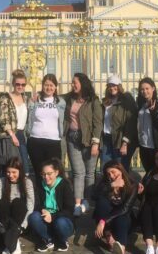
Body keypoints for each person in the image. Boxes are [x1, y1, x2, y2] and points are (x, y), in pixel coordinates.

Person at [64, 73, 103, 213]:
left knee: (89, 173)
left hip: (89, 139)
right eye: (72, 82)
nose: (72, 85)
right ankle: (77, 204)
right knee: (78, 172)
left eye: (75, 82)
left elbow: (98, 123)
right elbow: (54, 98)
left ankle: (88, 201)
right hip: (72, 137)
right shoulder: (69, 98)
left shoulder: (93, 100)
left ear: (82, 83)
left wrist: (95, 143)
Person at [93, 160, 141, 254]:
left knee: (122, 216)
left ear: (121, 170)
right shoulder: (105, 183)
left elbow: (125, 209)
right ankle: (110, 238)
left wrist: (102, 221)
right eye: (108, 174)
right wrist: (111, 186)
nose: (111, 176)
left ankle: (121, 250)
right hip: (107, 223)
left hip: (121, 220)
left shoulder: (133, 185)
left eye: (113, 172)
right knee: (102, 202)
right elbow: (94, 196)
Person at [26, 74, 66, 185]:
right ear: (42, 86)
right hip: (35, 141)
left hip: (53, 141)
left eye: (51, 85)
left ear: (55, 87)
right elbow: (27, 116)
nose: (49, 88)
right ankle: (42, 200)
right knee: (40, 174)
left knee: (54, 174)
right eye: (46, 85)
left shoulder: (61, 102)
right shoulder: (35, 100)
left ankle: (53, 200)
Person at [28, 158, 75, 252]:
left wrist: (52, 216)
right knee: (33, 217)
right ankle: (48, 240)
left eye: (49, 174)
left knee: (60, 222)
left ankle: (62, 240)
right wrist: (42, 210)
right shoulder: (40, 185)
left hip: (62, 220)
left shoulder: (64, 185)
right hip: (46, 220)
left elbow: (69, 209)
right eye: (43, 174)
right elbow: (36, 203)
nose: (46, 177)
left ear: (56, 172)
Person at [0, 157, 34, 254]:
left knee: (17, 202)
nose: (10, 175)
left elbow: (30, 205)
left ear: (20, 171)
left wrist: (23, 225)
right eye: (8, 172)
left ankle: (12, 240)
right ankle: (12, 242)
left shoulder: (27, 182)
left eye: (14, 172)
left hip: (19, 219)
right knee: (3, 202)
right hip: (4, 218)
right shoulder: (1, 181)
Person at [0, 69, 32, 176]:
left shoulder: (25, 98)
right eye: (18, 84)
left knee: (24, 167)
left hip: (21, 135)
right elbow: (3, 119)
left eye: (23, 84)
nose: (20, 87)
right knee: (10, 167)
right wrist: (12, 135)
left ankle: (23, 190)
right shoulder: (5, 98)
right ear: (13, 84)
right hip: (9, 135)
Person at [101, 74, 137, 171]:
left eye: (114, 85)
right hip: (106, 138)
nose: (112, 88)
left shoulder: (126, 100)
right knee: (106, 167)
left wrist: (125, 143)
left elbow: (131, 122)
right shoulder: (105, 101)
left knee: (121, 168)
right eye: (110, 86)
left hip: (120, 139)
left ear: (119, 86)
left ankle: (123, 186)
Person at [136, 77, 158, 173]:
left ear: (153, 88)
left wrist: (154, 112)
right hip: (144, 146)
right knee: (149, 173)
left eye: (147, 88)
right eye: (142, 89)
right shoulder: (141, 105)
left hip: (156, 146)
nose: (144, 91)